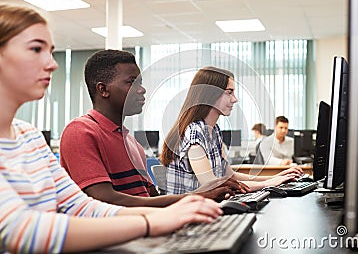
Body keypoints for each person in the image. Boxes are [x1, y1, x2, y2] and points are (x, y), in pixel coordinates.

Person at [0, 4, 222, 253]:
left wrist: (176, 211)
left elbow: (82, 207)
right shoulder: (80, 131)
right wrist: (150, 222)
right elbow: (20, 230)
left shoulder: (30, 138)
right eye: (36, 49)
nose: (52, 64)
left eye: (51, 52)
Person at [60, 49, 246, 207]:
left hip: (147, 230)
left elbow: (153, 198)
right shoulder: (80, 132)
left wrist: (205, 197)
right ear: (103, 89)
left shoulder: (131, 143)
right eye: (132, 82)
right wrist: (197, 198)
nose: (141, 89)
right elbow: (104, 200)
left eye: (140, 82)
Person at [160, 67, 303, 194]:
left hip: (206, 209)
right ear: (210, 95)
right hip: (187, 216)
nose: (235, 99)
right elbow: (212, 186)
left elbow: (230, 177)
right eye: (229, 92)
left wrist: (277, 178)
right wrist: (267, 184)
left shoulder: (213, 131)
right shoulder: (194, 133)